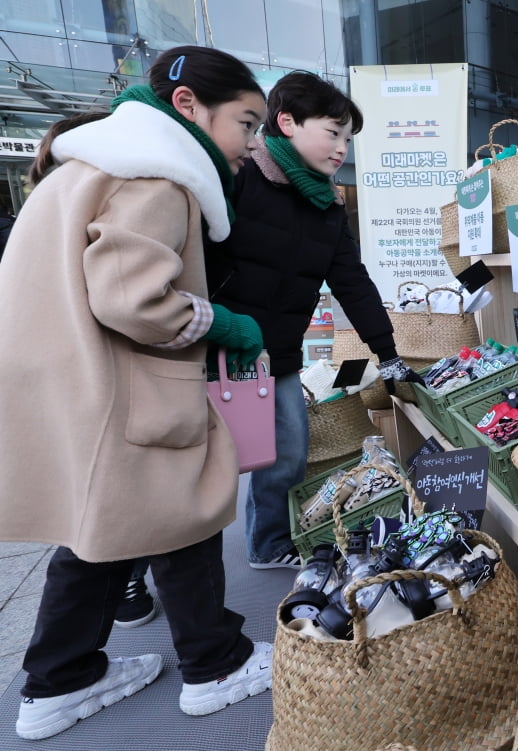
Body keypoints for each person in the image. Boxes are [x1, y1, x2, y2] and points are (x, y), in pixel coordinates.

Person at [0, 46, 274, 740]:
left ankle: (59, 678)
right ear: (189, 107)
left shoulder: (88, 165)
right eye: (246, 122)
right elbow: (133, 296)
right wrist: (221, 322)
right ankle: (215, 665)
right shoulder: (160, 172)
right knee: (181, 519)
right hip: (124, 390)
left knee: (102, 529)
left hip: (74, 388)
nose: (252, 142)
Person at [205, 70, 397, 570]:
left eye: (348, 139)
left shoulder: (327, 208)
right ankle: (132, 571)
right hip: (205, 343)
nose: (341, 149)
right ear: (286, 122)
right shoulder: (240, 174)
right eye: (333, 132)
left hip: (277, 353)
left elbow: (352, 282)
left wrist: (389, 355)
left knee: (288, 451)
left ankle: (268, 544)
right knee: (183, 464)